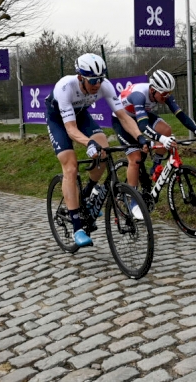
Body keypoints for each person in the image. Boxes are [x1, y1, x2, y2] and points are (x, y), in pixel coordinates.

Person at [46, 53, 150, 247]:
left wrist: (139, 136)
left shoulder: (104, 85)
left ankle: (86, 194)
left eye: (100, 79)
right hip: (59, 121)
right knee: (70, 167)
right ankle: (77, 227)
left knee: (104, 150)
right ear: (80, 78)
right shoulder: (65, 87)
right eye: (93, 80)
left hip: (81, 115)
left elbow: (123, 116)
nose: (97, 84)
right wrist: (88, 143)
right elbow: (70, 129)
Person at [111, 69, 196, 218]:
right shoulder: (139, 95)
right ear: (152, 90)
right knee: (136, 158)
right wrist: (162, 140)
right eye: (164, 94)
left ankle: (155, 167)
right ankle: (131, 197)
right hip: (122, 119)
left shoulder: (163, 95)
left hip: (142, 113)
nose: (167, 97)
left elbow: (181, 115)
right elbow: (142, 126)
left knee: (166, 129)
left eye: (169, 93)